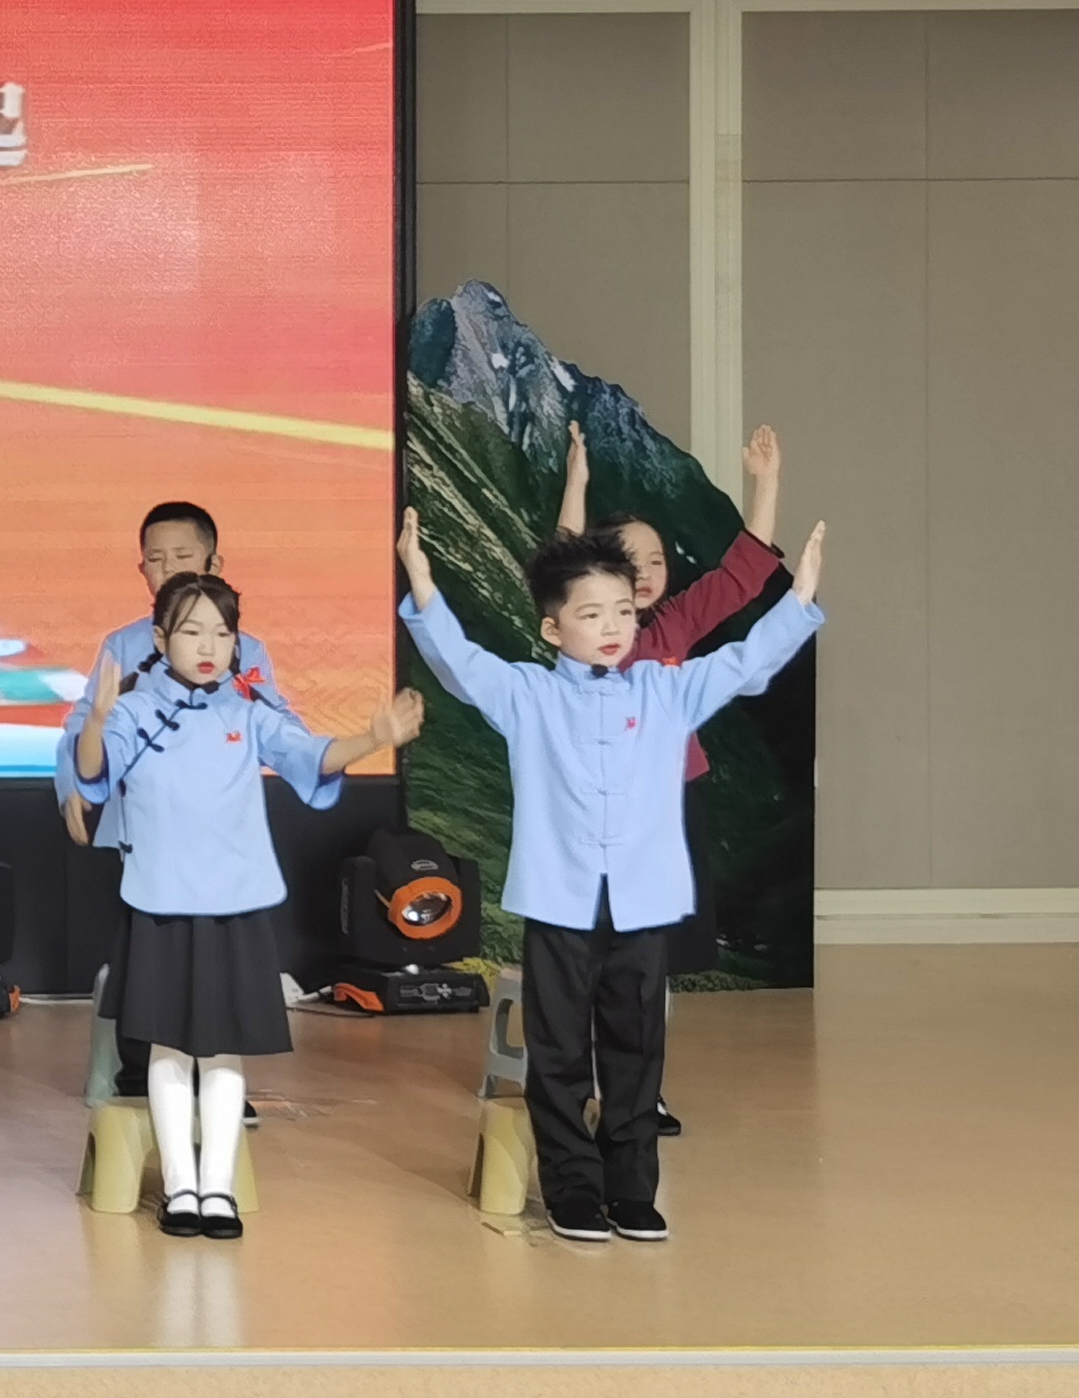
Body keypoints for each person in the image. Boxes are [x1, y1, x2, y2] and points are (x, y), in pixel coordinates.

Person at [399, 511, 824, 1244]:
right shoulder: (527, 694)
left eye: (623, 611)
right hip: (559, 903)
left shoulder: (666, 690)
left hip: (643, 902)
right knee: (559, 1052)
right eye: (591, 613)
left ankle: (631, 1190)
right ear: (552, 628)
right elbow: (460, 664)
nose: (612, 627)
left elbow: (745, 663)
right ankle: (572, 1188)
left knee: (636, 1051)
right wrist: (421, 580)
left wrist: (800, 599)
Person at [70, 573, 423, 1240]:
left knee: (223, 1050)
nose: (209, 646)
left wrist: (372, 737)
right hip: (160, 900)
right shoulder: (132, 711)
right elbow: (92, 771)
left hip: (235, 902)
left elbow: (310, 756)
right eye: (192, 631)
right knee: (169, 1048)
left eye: (222, 632)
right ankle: (180, 1187)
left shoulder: (249, 712)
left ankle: (219, 1188)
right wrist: (94, 719)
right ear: (160, 639)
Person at [558, 422, 789, 1127]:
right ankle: (595, 1083)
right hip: (605, 810)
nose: (648, 570)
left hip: (674, 801)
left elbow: (744, 573)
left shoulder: (677, 624)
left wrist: (766, 483)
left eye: (656, 558)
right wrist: (576, 483)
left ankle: (641, 1091)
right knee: (605, 954)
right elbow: (561, 561)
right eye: (630, 559)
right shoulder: (586, 635)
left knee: (654, 958)